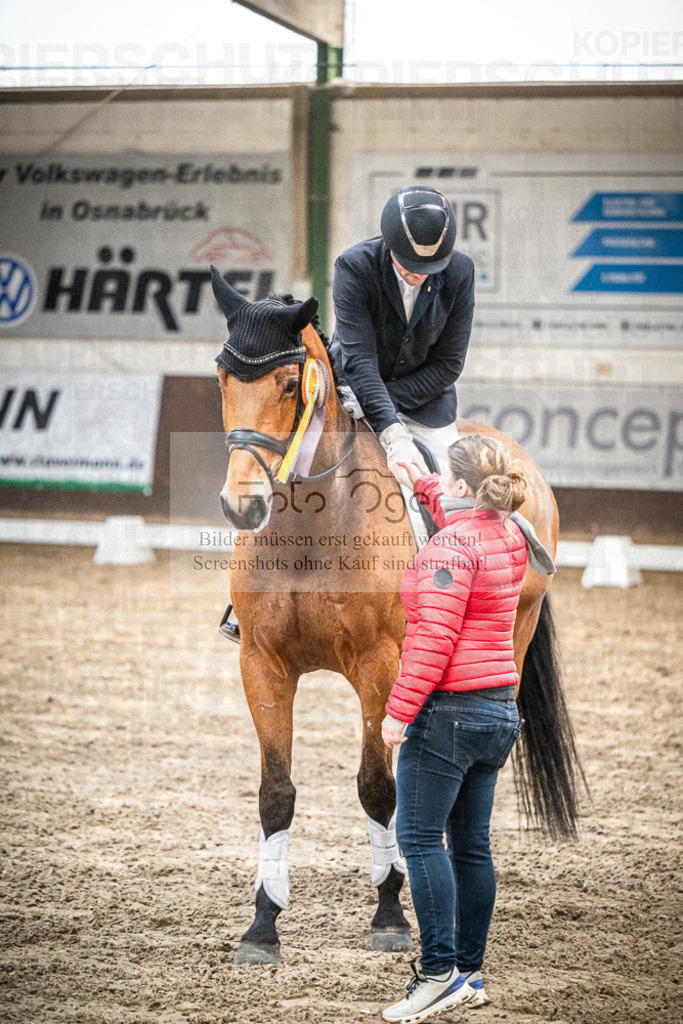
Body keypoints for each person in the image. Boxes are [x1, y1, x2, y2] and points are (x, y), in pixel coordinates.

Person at [380, 434, 528, 1024]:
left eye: (445, 477)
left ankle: (438, 974)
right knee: (471, 847)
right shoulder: (508, 533)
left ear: (463, 486)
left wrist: (399, 711)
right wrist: (419, 481)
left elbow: (434, 639)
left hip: (448, 714)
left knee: (418, 840)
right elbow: (459, 521)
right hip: (497, 712)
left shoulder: (449, 548)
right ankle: (469, 973)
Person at [330, 185, 475, 489]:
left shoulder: (460, 271)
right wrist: (392, 432)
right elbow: (360, 359)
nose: (419, 273)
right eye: (409, 263)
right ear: (390, 243)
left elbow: (448, 364)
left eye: (429, 266)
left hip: (424, 405)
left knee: (455, 493)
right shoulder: (354, 267)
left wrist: (384, 401)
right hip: (352, 393)